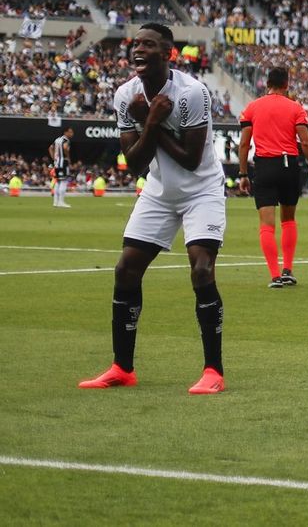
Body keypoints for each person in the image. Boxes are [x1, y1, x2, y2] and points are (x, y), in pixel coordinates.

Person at [80, 22, 226, 394]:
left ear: (168, 53)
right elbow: (135, 160)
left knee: (202, 269)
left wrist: (152, 121)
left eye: (148, 44)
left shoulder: (193, 92)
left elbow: (192, 160)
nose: (137, 50)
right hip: (159, 189)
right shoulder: (126, 95)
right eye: (135, 44)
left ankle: (213, 371)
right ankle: (122, 368)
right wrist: (149, 120)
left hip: (201, 190)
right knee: (125, 269)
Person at [238, 65, 308, 288]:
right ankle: (288, 270)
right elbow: (305, 143)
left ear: (267, 84)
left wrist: (243, 173)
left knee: (266, 225)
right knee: (288, 220)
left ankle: (274, 276)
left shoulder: (252, 108)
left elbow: (245, 144)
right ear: (287, 84)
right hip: (288, 165)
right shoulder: (296, 108)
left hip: (264, 165)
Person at [50, 127, 74, 208]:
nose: (72, 134)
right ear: (66, 132)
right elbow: (65, 148)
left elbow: (50, 148)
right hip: (63, 162)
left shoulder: (57, 140)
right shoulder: (66, 140)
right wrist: (68, 157)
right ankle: (61, 202)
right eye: (70, 132)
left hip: (57, 163)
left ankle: (55, 202)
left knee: (58, 182)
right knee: (63, 182)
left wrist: (54, 158)